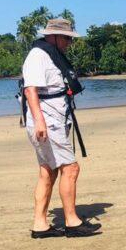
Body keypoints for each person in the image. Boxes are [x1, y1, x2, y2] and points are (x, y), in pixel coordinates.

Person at [21, 18, 100, 238]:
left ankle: (40, 224)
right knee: (71, 168)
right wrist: (39, 121)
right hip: (47, 121)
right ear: (53, 36)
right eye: (66, 38)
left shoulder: (49, 54)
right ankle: (72, 222)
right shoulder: (38, 56)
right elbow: (30, 91)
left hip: (52, 119)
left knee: (48, 171)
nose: (69, 43)